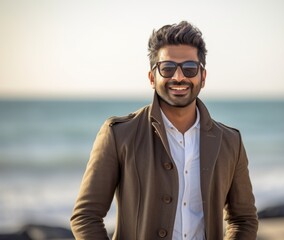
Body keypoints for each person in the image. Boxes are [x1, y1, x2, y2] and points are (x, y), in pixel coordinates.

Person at [70, 20, 258, 239]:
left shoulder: (229, 141)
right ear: (152, 77)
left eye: (189, 68)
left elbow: (243, 219)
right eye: (167, 68)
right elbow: (85, 217)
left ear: (202, 77)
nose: (179, 77)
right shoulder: (119, 134)